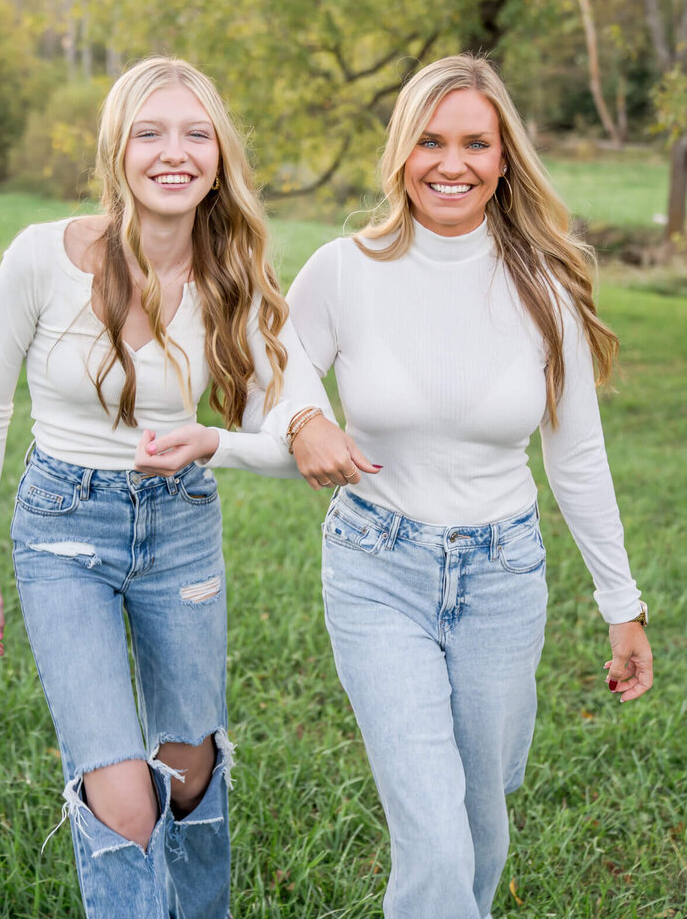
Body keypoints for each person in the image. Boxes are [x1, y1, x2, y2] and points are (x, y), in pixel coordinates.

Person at [138, 53, 653, 919]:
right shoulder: (345, 271)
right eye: (430, 142)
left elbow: (578, 460)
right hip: (379, 568)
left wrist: (621, 602)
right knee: (436, 836)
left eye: (474, 144)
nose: (451, 164)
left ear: (503, 159)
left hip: (504, 577)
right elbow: (280, 393)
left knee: (481, 824)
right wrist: (264, 432)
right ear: (401, 154)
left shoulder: (544, 287)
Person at [0, 56, 331, 919]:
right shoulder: (41, 258)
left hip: (180, 528)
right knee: (123, 799)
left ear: (220, 155)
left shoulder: (235, 278)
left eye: (196, 133)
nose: (174, 152)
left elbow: (295, 439)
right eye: (149, 132)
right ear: (116, 151)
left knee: (190, 775)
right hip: (61, 529)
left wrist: (220, 444)